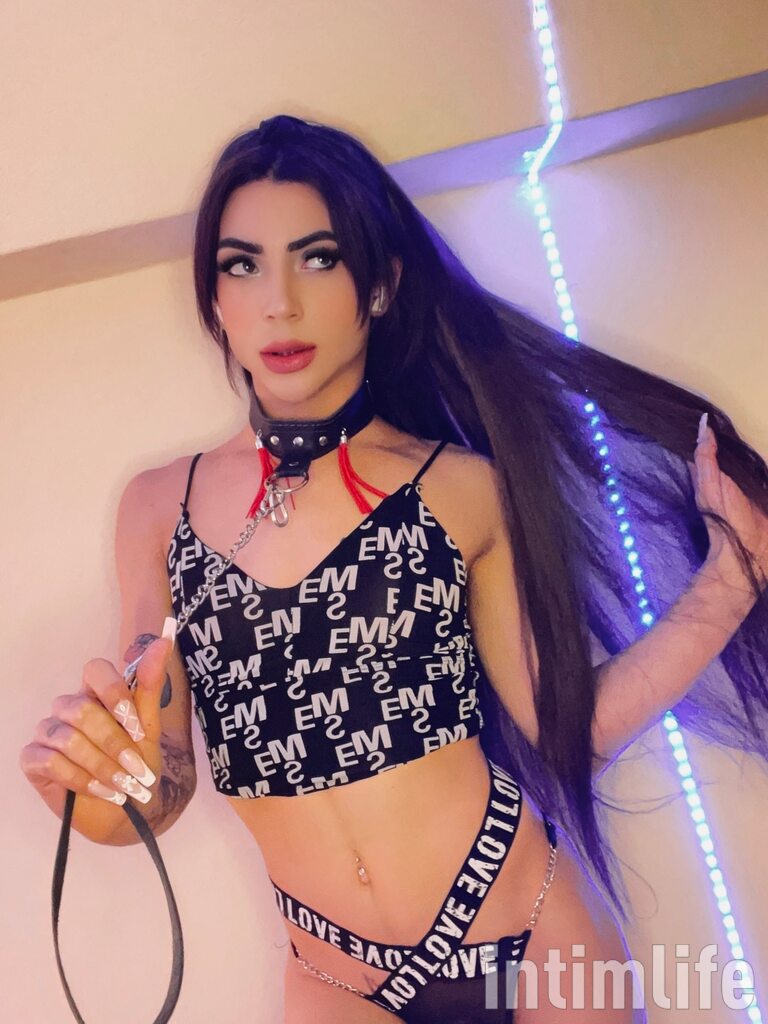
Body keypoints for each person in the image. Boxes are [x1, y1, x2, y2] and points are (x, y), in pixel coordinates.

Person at [20, 115, 768, 1023]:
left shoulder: (462, 489)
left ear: (380, 285)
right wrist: (96, 788)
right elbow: (163, 780)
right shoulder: (155, 508)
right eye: (242, 265)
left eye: (319, 258)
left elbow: (568, 731)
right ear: (213, 298)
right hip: (337, 978)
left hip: (532, 932)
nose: (280, 303)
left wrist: (730, 584)